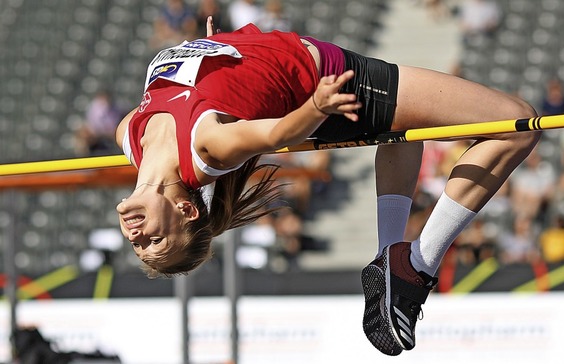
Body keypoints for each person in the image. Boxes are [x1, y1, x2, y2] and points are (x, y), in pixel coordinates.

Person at [114, 18, 539, 356]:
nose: (138, 236)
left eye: (139, 245)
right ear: (186, 211)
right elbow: (276, 132)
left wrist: (220, 56)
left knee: (405, 131)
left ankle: (390, 257)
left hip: (302, 81)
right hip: (330, 84)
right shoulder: (208, 147)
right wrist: (317, 105)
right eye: (155, 239)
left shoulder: (129, 137)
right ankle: (419, 264)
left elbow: (183, 88)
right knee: (515, 125)